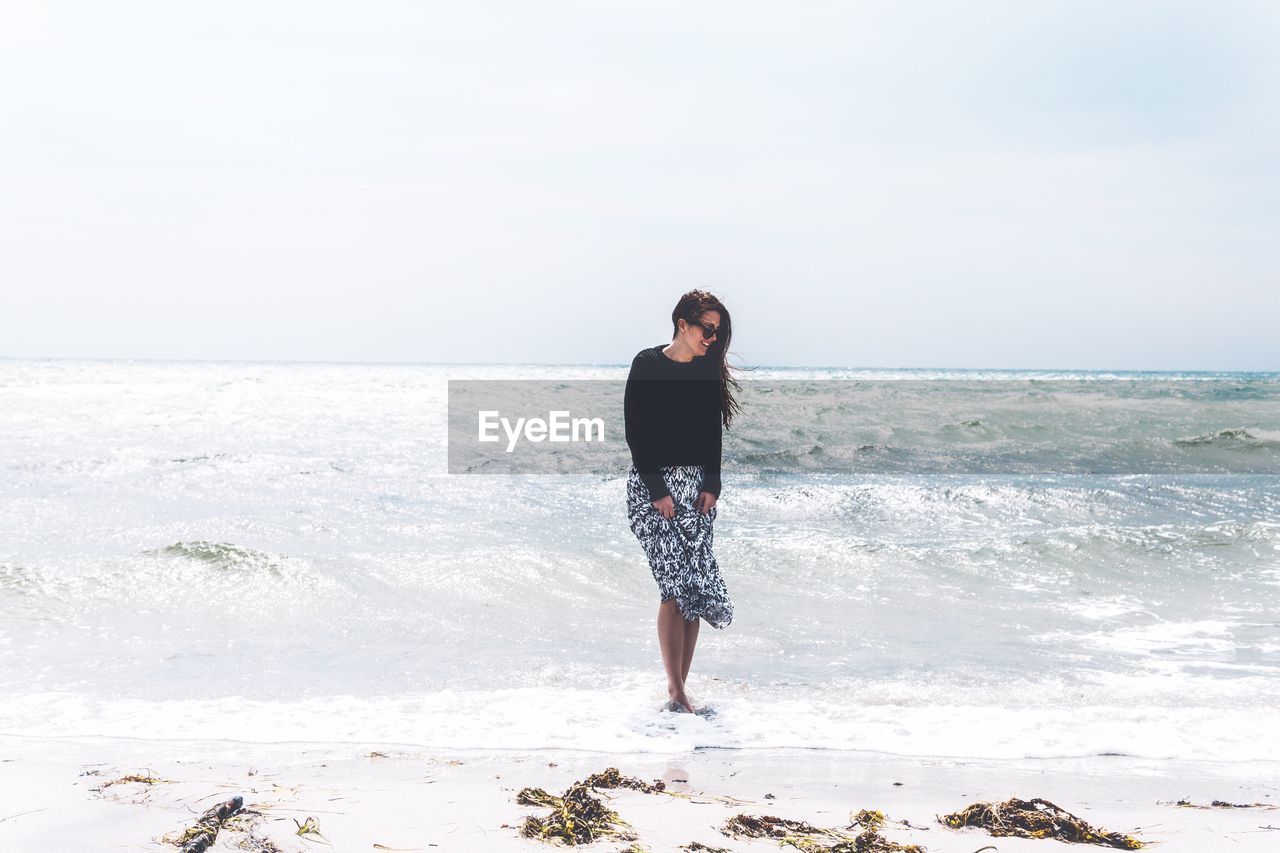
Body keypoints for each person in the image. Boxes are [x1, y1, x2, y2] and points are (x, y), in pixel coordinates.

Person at [624, 290, 741, 714]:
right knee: (673, 587)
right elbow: (636, 431)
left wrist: (713, 482)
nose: (713, 338)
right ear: (682, 324)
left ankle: (679, 690)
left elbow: (713, 433)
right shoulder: (647, 364)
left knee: (692, 589)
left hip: (696, 492)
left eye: (718, 332)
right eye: (707, 329)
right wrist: (658, 491)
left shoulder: (707, 372)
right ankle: (675, 690)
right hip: (652, 491)